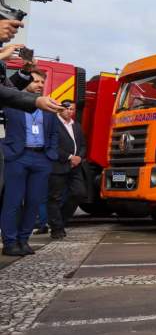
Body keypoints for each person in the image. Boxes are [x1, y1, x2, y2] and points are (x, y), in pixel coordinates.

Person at [1, 69, 60, 256]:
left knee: (34, 202)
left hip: (41, 158)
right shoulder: (12, 104)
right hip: (18, 156)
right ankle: (10, 243)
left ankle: (24, 240)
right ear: (26, 82)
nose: (39, 85)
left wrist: (50, 153)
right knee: (13, 201)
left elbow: (54, 134)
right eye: (35, 81)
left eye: (42, 82)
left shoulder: (48, 107)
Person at [45, 99, 87, 239]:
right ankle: (57, 229)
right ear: (60, 109)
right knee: (54, 198)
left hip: (75, 166)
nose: (70, 112)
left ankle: (60, 221)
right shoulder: (52, 124)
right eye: (67, 109)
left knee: (79, 193)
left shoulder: (77, 126)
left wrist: (79, 158)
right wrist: (69, 157)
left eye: (72, 109)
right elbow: (52, 146)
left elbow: (83, 145)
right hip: (58, 165)